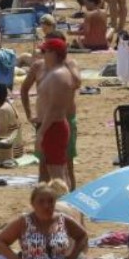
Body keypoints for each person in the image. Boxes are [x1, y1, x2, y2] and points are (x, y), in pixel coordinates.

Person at [34, 37, 78, 187]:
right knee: (55, 170)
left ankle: (63, 205)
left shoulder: (59, 75)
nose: (42, 54)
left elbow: (55, 108)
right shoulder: (54, 72)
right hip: (51, 126)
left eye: (45, 51)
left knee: (57, 174)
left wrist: (41, 132)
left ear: (54, 54)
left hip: (53, 127)